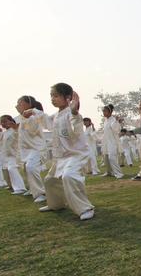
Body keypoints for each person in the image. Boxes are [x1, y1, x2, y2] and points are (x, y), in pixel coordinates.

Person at [25, 83, 95, 221]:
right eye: (51, 96)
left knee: (68, 176)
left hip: (75, 154)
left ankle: (86, 208)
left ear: (68, 97)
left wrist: (75, 113)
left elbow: (77, 128)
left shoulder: (71, 113)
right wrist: (33, 110)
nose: (52, 98)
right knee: (50, 180)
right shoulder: (57, 115)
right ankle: (56, 204)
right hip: (61, 157)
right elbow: (46, 121)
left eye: (56, 95)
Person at [15, 95, 48, 202]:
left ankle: (41, 193)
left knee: (31, 167)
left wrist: (26, 116)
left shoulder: (34, 117)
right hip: (26, 150)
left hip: (36, 149)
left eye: (20, 103)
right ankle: (33, 190)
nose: (17, 105)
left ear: (29, 104)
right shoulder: (22, 118)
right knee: (26, 169)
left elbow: (32, 129)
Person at [0, 115, 28, 195]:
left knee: (12, 169)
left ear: (10, 121)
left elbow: (18, 136)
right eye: (1, 122)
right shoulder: (5, 133)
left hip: (15, 154)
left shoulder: (15, 129)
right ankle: (17, 187)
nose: (3, 123)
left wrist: (15, 128)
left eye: (5, 121)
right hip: (8, 155)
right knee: (11, 170)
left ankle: (21, 188)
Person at [101, 104, 123, 179]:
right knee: (106, 158)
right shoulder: (105, 121)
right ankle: (109, 172)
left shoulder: (113, 120)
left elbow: (116, 129)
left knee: (112, 158)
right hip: (106, 142)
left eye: (105, 111)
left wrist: (116, 121)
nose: (104, 112)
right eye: (103, 111)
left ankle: (119, 173)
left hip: (112, 142)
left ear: (110, 112)